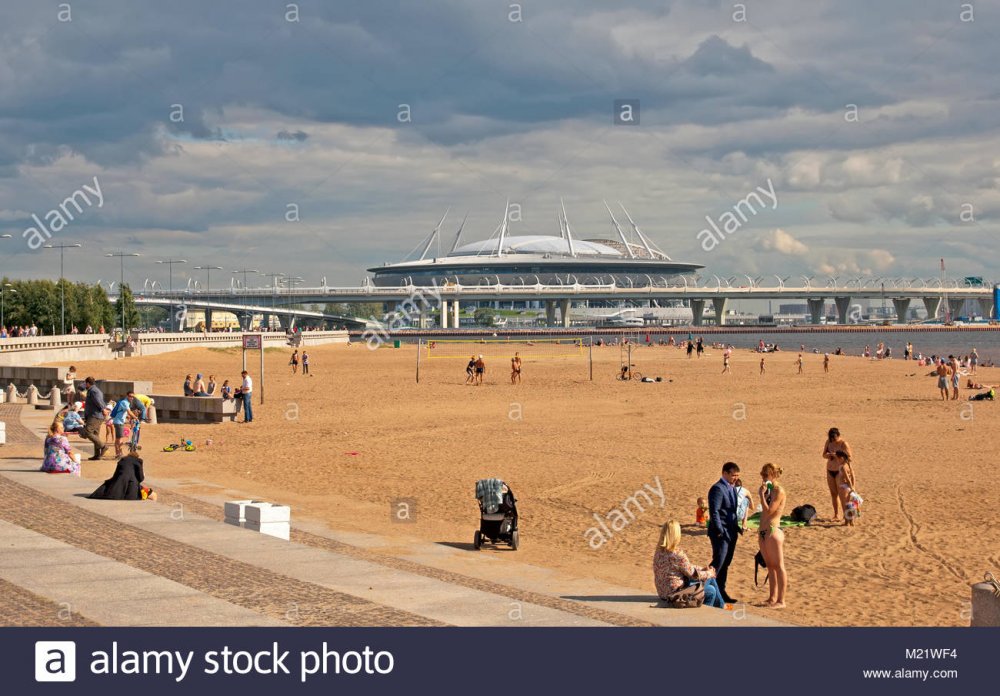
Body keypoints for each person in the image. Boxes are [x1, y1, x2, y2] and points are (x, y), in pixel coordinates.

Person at [653, 520, 725, 608]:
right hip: (676, 594)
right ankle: (721, 607)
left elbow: (685, 567)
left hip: (662, 593)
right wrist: (709, 573)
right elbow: (692, 575)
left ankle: (721, 606)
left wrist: (702, 569)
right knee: (711, 588)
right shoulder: (677, 553)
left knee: (710, 584)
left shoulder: (659, 551)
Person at [707, 462, 741, 603]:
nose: (735, 478)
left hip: (732, 532)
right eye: (733, 475)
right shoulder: (717, 488)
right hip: (721, 533)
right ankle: (707, 590)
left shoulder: (732, 488)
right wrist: (720, 531)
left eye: (737, 476)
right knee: (718, 562)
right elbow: (714, 512)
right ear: (724, 473)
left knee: (726, 562)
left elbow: (732, 510)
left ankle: (721, 591)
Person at [757, 463, 788, 608]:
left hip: (773, 530)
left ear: (773, 475)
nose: (763, 477)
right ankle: (772, 597)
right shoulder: (769, 490)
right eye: (762, 474)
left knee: (779, 566)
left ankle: (781, 600)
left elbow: (769, 511)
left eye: (765, 475)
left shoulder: (778, 491)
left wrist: (761, 495)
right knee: (770, 566)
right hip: (763, 531)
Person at [88, 454, 156, 500]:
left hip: (117, 488)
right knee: (153, 495)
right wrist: (143, 475)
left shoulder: (122, 461)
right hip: (132, 489)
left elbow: (115, 476)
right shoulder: (138, 461)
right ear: (136, 457)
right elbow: (140, 479)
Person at [822, 427, 851, 520]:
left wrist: (838, 456)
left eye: (834, 438)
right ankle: (836, 514)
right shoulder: (828, 442)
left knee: (843, 495)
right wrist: (829, 455)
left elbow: (850, 458)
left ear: (838, 436)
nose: (833, 441)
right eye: (831, 439)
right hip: (830, 470)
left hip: (840, 471)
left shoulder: (844, 444)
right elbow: (823, 454)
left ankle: (846, 516)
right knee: (833, 494)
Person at [80, 377, 107, 460]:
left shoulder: (93, 391)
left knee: (88, 432)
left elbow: (98, 401)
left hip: (95, 415)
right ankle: (97, 455)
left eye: (85, 383)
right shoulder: (92, 390)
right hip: (94, 415)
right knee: (95, 434)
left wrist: (103, 409)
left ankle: (103, 446)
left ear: (88, 383)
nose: (84, 385)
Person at [834, 452, 860, 526]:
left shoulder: (842, 467)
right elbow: (852, 476)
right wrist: (853, 486)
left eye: (838, 458)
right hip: (848, 487)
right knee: (850, 504)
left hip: (843, 487)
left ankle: (847, 522)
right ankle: (851, 521)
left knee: (845, 505)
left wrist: (851, 487)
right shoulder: (848, 464)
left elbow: (847, 478)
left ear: (841, 458)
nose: (837, 460)